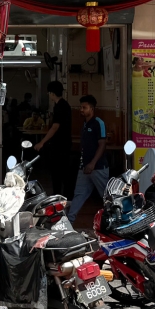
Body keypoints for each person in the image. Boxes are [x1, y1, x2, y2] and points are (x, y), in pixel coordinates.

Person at [68, 95, 109, 223]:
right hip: (85, 168)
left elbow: (102, 144)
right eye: (80, 107)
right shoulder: (85, 124)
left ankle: (114, 221)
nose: (81, 109)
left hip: (98, 168)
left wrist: (92, 163)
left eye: (84, 107)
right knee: (79, 194)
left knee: (106, 197)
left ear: (91, 109)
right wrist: (85, 164)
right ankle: (69, 221)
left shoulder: (99, 123)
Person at [35, 81, 73, 196]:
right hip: (65, 144)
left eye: (49, 92)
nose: (48, 95)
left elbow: (55, 127)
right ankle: (64, 197)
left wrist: (42, 142)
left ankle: (58, 196)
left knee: (57, 173)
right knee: (63, 173)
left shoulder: (60, 106)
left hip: (60, 146)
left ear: (52, 93)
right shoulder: (64, 105)